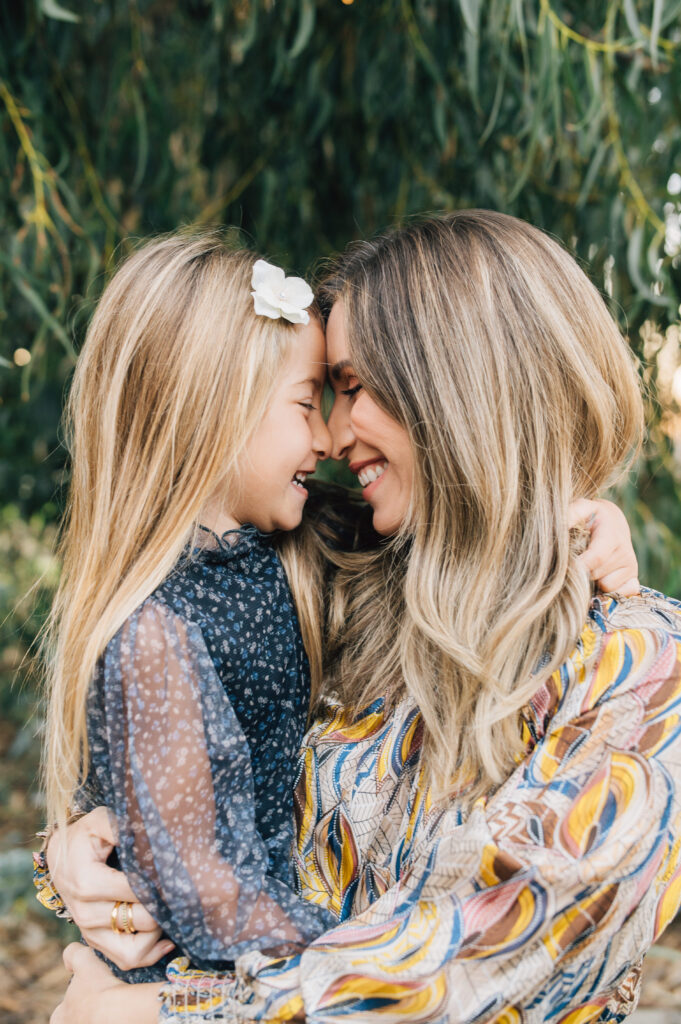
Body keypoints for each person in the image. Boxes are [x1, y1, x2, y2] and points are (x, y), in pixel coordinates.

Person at [48, 211, 680, 1023]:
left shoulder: (643, 669)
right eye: (318, 396)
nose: (337, 439)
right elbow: (195, 772)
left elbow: (486, 966)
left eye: (350, 388)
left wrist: (159, 1017)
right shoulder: (348, 594)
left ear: (456, 386)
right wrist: (80, 850)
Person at [37, 232, 337, 983]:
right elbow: (207, 894)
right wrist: (371, 966)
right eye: (306, 404)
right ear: (215, 412)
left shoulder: (290, 551)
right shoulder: (154, 633)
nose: (328, 437)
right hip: (218, 979)